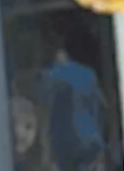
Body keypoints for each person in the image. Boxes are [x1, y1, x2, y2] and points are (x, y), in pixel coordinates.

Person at [37, 29, 109, 171]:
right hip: (86, 144)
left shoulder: (52, 76)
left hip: (73, 146)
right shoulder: (87, 75)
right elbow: (102, 108)